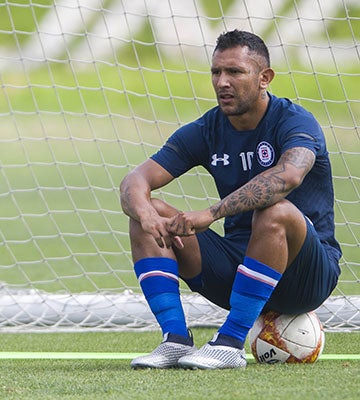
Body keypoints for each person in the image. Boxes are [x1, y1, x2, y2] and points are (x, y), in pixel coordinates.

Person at [119, 29, 341, 370]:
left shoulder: (294, 121)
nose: (222, 82)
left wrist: (210, 213)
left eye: (235, 72)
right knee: (148, 212)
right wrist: (147, 217)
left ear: (264, 78)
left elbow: (288, 176)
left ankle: (230, 343)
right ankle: (176, 340)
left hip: (306, 276)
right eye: (216, 72)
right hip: (238, 271)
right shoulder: (208, 128)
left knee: (276, 210)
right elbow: (135, 180)